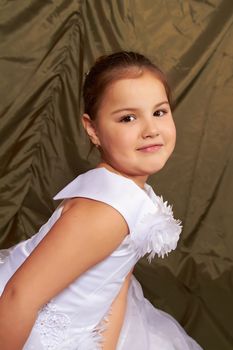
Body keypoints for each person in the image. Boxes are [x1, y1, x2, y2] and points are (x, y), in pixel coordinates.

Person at [0, 51, 203, 350]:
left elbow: (119, 282)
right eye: (128, 118)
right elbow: (18, 297)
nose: (151, 130)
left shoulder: (129, 193)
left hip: (88, 317)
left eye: (159, 112)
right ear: (93, 129)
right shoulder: (104, 213)